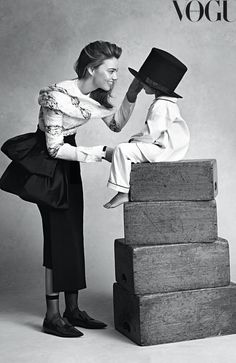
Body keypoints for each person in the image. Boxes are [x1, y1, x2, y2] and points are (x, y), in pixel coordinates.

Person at [0, 40, 141, 337]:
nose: (115, 77)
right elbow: (52, 149)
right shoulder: (57, 95)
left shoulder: (95, 97)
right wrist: (100, 153)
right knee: (56, 237)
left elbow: (115, 125)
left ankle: (72, 310)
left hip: (70, 162)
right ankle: (52, 316)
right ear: (92, 68)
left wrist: (132, 93)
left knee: (73, 233)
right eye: (111, 71)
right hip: (47, 166)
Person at [104, 48, 190, 209]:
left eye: (143, 80)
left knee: (122, 150)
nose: (140, 84)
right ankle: (125, 189)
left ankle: (123, 191)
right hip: (165, 149)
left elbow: (150, 135)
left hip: (164, 151)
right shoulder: (164, 104)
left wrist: (132, 143)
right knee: (125, 150)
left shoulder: (161, 105)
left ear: (154, 84)